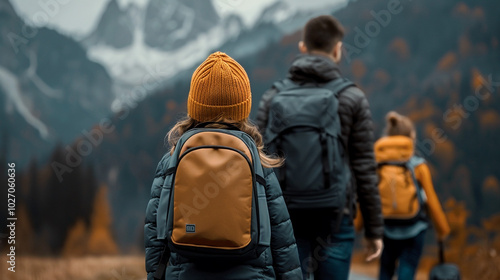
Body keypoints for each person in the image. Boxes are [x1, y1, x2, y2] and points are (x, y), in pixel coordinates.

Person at [144, 52, 302, 280]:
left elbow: (155, 235)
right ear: (243, 109)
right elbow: (282, 240)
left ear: (194, 106)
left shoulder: (171, 160)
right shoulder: (257, 161)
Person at [256, 15, 383, 280]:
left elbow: (259, 162)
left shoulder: (273, 96)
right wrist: (373, 230)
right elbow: (364, 168)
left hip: (285, 218)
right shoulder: (352, 97)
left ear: (302, 47)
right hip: (336, 217)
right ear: (338, 49)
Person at [375, 111, 450, 280]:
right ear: (410, 137)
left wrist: (356, 225)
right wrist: (442, 230)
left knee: (385, 269)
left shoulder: (378, 166)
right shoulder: (418, 166)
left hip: (386, 228)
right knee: (407, 268)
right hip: (414, 230)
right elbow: (431, 200)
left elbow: (367, 198)